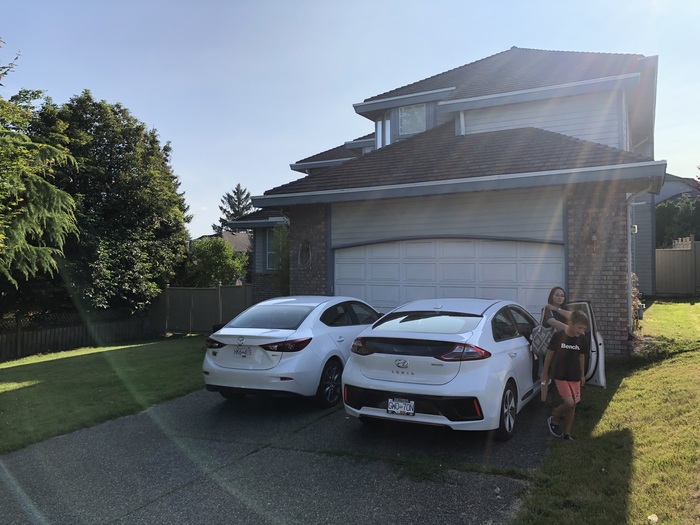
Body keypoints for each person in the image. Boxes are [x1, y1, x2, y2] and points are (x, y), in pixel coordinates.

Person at [540, 309, 590, 441]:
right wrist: (545, 373)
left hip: (575, 376)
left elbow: (581, 357)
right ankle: (554, 416)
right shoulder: (558, 336)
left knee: (573, 406)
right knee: (569, 402)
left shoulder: (582, 338)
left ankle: (567, 433)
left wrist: (582, 375)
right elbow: (549, 355)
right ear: (571, 323)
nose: (581, 331)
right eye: (579, 328)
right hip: (560, 375)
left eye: (584, 328)